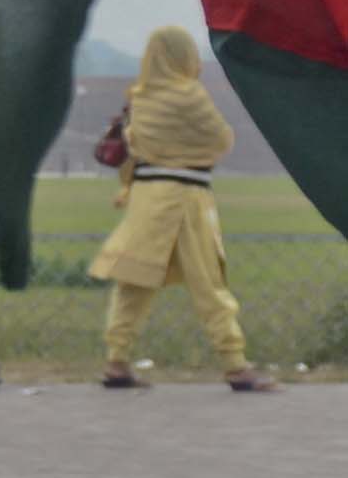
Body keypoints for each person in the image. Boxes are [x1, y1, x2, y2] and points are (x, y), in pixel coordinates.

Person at [89, 25, 275, 392]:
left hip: (146, 199)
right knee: (209, 283)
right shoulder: (190, 96)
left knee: (134, 282)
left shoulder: (139, 99)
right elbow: (221, 139)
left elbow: (135, 148)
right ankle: (235, 364)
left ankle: (116, 361)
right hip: (188, 200)